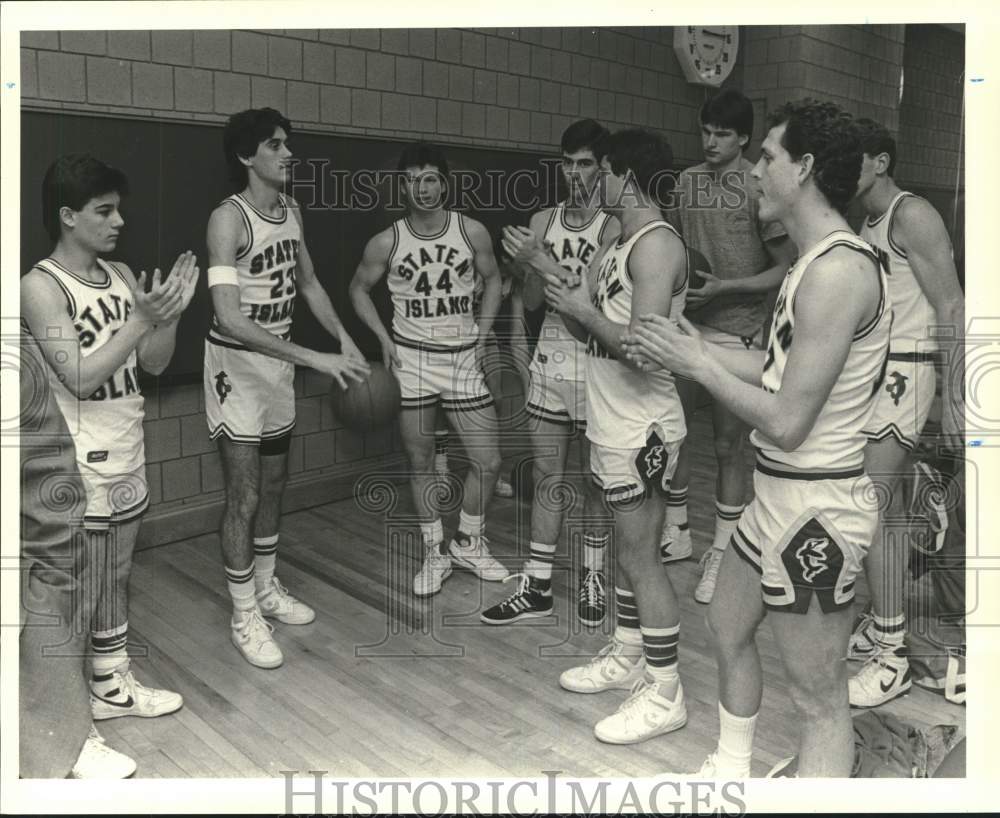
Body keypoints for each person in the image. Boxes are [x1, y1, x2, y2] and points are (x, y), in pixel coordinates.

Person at [624, 99, 891, 777]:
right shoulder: (813, 261)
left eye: (767, 156)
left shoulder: (837, 271)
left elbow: (785, 418)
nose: (756, 171)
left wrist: (699, 364)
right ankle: (731, 768)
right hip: (776, 497)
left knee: (819, 698)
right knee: (727, 624)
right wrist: (694, 342)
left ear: (802, 169)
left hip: (816, 512)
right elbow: (778, 370)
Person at [507, 128, 689, 745]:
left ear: (627, 177)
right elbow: (579, 298)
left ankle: (666, 692)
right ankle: (630, 654)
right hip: (613, 418)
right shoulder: (619, 237)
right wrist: (537, 261)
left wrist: (582, 314)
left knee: (643, 555)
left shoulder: (657, 247)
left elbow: (641, 347)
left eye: (604, 171)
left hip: (644, 424)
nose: (594, 182)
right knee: (625, 552)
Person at [20, 154, 197, 745]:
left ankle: (110, 685)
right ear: (68, 216)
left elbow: (153, 363)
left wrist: (166, 317)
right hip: (76, 457)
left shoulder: (121, 277)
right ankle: (67, 720)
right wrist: (138, 320)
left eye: (119, 208)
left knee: (116, 572)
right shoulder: (40, 286)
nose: (119, 220)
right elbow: (79, 377)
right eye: (105, 210)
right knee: (79, 584)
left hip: (127, 441)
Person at [204, 108, 370, 668]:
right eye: (275, 145)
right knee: (244, 493)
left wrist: (343, 338)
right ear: (247, 156)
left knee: (275, 483)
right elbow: (228, 317)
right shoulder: (228, 220)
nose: (288, 153)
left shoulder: (291, 209)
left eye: (288, 144)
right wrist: (312, 356)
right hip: (236, 367)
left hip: (276, 365)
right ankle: (243, 611)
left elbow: (309, 283)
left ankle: (268, 588)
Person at [350, 142, 508, 597]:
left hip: (461, 358)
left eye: (432, 177)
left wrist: (482, 334)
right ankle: (435, 552)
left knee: (489, 460)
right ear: (405, 185)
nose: (424, 187)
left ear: (444, 181)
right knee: (420, 461)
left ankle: (469, 543)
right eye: (414, 178)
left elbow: (494, 279)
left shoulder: (471, 232)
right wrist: (382, 338)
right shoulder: (388, 240)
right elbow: (358, 289)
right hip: (413, 359)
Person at [847, 118, 966, 708]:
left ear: (881, 162)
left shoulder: (911, 214)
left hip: (907, 366)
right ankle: (883, 614)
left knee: (872, 509)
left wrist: (962, 397)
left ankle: (892, 655)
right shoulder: (862, 220)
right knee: (874, 504)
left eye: (855, 159)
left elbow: (950, 301)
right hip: (869, 369)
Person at [482, 119, 620, 627]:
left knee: (595, 482)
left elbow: (596, 301)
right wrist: (530, 266)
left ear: (602, 168)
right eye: (568, 163)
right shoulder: (542, 219)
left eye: (585, 163)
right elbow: (537, 301)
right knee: (547, 476)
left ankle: (593, 575)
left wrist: (541, 258)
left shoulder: (613, 226)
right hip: (552, 361)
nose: (574, 173)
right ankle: (536, 583)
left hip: (599, 364)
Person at [663, 88, 795, 605]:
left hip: (739, 331)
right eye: (705, 131)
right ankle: (676, 531)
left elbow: (784, 269)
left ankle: (721, 550)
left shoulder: (756, 188)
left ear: (743, 138)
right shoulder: (687, 182)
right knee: (670, 437)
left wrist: (725, 288)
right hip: (686, 328)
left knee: (725, 447)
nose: (711, 141)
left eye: (722, 133)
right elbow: (672, 249)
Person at [19, 325, 136, 779]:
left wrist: (152, 318)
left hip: (103, 451)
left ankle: (64, 724)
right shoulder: (39, 288)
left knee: (85, 559)